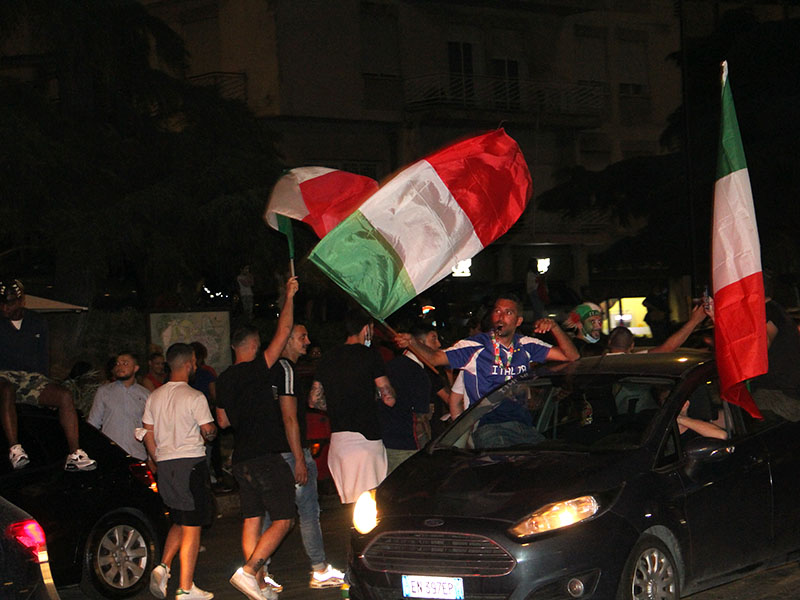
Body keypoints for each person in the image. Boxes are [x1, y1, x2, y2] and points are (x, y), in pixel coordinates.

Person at [395, 293, 578, 448]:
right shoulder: (474, 346)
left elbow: (572, 357)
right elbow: (436, 359)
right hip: (488, 427)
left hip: (524, 427)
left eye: (508, 313)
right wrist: (413, 342)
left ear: (518, 321)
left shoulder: (527, 345)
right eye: (497, 311)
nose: (501, 317)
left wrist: (554, 327)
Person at [216, 277, 299, 600]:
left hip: (242, 459)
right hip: (265, 455)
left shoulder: (223, 379)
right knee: (284, 518)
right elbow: (284, 330)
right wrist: (289, 295)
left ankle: (259, 583)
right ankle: (250, 571)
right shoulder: (257, 368)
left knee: (252, 518)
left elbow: (222, 421)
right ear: (253, 345)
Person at [265, 323, 345, 589]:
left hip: (272, 453)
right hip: (290, 451)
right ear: (286, 339)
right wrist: (300, 456)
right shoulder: (286, 369)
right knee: (308, 511)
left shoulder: (267, 370)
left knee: (269, 513)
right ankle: (319, 568)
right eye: (302, 337)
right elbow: (289, 417)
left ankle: (258, 568)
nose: (308, 341)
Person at [143, 343, 217, 600]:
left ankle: (163, 566)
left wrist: (156, 457)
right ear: (188, 364)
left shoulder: (154, 396)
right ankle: (186, 588)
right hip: (190, 465)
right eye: (194, 362)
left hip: (166, 466)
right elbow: (208, 431)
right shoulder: (195, 397)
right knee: (193, 526)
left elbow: (146, 432)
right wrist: (209, 432)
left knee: (180, 519)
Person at [0, 279, 96, 471]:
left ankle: (75, 454)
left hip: (31, 378)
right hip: (4, 375)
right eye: (1, 303)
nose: (4, 308)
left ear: (21, 301)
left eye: (9, 303)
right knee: (7, 389)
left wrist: (47, 388)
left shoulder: (37, 322)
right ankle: (15, 448)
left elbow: (43, 359)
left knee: (64, 395)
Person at [309, 308, 397, 504]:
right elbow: (388, 397)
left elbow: (314, 400)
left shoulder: (328, 357)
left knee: (351, 504)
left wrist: (337, 404)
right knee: (370, 504)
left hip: (338, 443)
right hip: (365, 442)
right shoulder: (370, 355)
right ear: (366, 329)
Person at [381, 322, 442, 472]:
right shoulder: (416, 373)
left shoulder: (393, 365)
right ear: (418, 343)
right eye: (433, 339)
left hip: (387, 444)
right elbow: (420, 419)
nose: (438, 345)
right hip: (408, 447)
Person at [87, 352, 149, 462]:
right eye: (118, 363)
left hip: (137, 454)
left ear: (135, 368)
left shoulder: (145, 395)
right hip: (110, 455)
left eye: (125, 363)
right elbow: (93, 424)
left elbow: (150, 428)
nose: (120, 367)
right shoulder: (104, 392)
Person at [605, 304, 709, 355]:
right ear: (632, 345)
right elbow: (667, 348)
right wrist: (694, 321)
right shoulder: (636, 361)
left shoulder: (595, 363)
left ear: (609, 342)